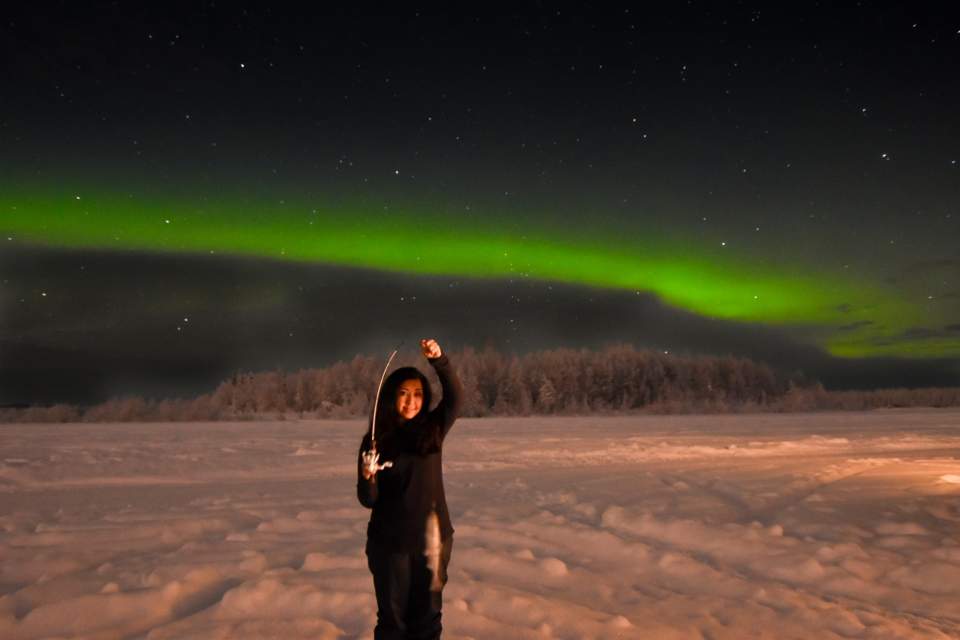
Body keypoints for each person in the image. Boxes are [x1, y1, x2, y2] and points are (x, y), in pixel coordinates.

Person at [357, 338, 463, 639]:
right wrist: (368, 475)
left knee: (428, 620)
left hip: (433, 540)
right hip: (390, 545)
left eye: (417, 394)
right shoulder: (375, 440)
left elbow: (456, 398)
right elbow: (368, 499)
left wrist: (439, 361)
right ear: (392, 397)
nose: (411, 401)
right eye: (404, 394)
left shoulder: (433, 429)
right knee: (392, 622)